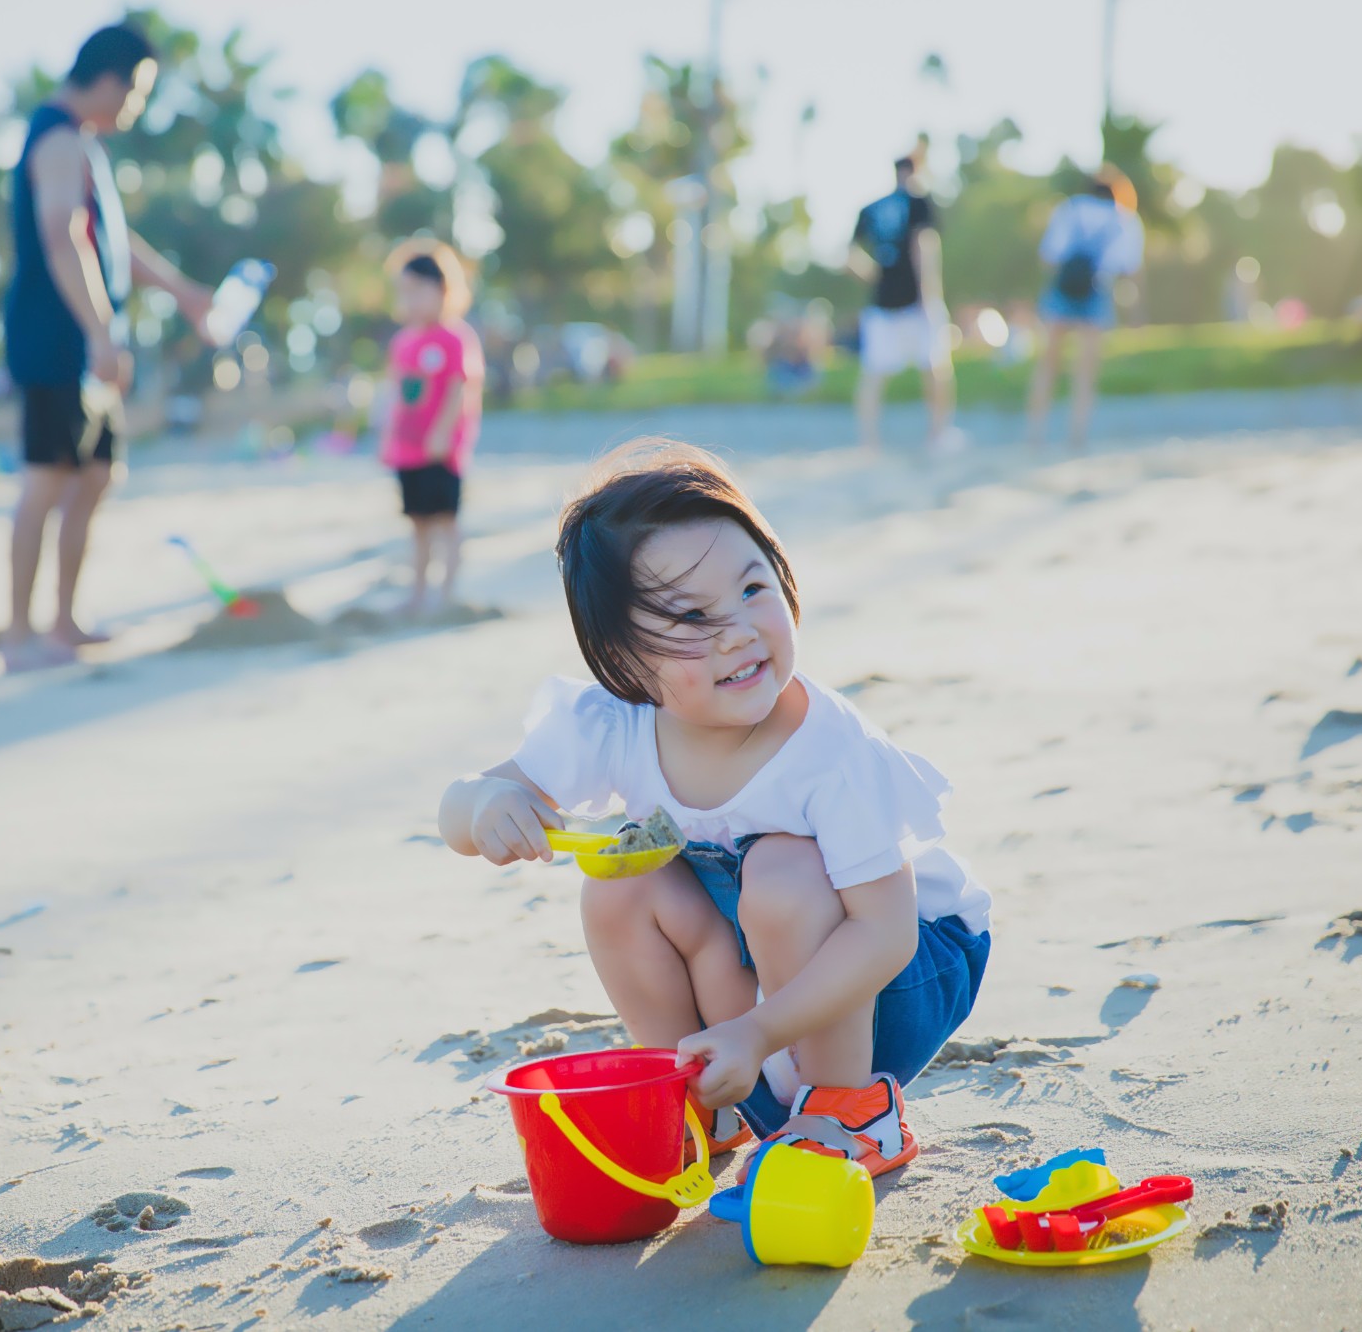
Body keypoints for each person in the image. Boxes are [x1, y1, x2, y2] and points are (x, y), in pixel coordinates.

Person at [437, 442, 992, 1173]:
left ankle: (847, 1108)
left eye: (753, 588)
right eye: (693, 617)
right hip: (753, 979)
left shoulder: (831, 752)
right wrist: (488, 805)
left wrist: (761, 1030)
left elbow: (884, 933)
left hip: (894, 975)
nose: (737, 628)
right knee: (619, 885)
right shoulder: (613, 724)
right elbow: (456, 807)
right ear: (627, 663)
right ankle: (699, 1095)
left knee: (784, 869)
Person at [2, 23, 215, 670]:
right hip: (57, 337)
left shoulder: (84, 145)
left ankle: (63, 621)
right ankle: (18, 632)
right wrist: (99, 332)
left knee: (95, 473)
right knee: (48, 477)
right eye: (138, 92)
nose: (136, 107)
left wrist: (181, 290)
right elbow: (62, 237)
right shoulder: (60, 139)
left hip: (86, 337)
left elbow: (109, 246)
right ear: (109, 79)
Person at [375, 239, 484, 617]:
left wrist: (442, 432)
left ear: (443, 291)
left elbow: (459, 387)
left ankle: (447, 593)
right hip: (407, 450)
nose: (412, 300)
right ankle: (418, 591)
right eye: (405, 291)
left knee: (445, 522)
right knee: (418, 524)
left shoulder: (454, 338)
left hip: (441, 451)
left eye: (420, 290)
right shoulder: (403, 341)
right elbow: (395, 394)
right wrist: (387, 435)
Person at [850, 154, 961, 457]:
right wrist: (930, 295)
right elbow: (922, 246)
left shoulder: (872, 208)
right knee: (936, 367)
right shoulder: (918, 202)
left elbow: (850, 255)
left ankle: (868, 441)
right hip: (915, 301)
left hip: (882, 301)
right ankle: (938, 434)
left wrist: (875, 276)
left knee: (873, 374)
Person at [1026, 166, 1144, 450]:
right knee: (1085, 369)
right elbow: (1128, 267)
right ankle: (1076, 436)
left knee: (1049, 364)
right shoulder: (1124, 219)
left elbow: (1049, 257)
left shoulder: (1070, 209)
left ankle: (1035, 434)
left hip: (1062, 290)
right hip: (1095, 291)